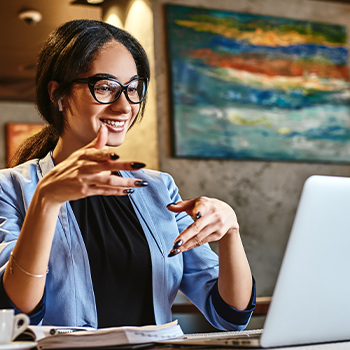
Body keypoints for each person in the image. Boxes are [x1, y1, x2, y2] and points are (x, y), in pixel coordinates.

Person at [0, 19, 256, 329]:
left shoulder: (160, 189)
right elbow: (15, 314)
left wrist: (230, 232)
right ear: (59, 94)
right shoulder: (11, 188)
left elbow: (230, 314)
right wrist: (46, 200)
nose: (124, 107)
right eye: (105, 87)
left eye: (133, 89)